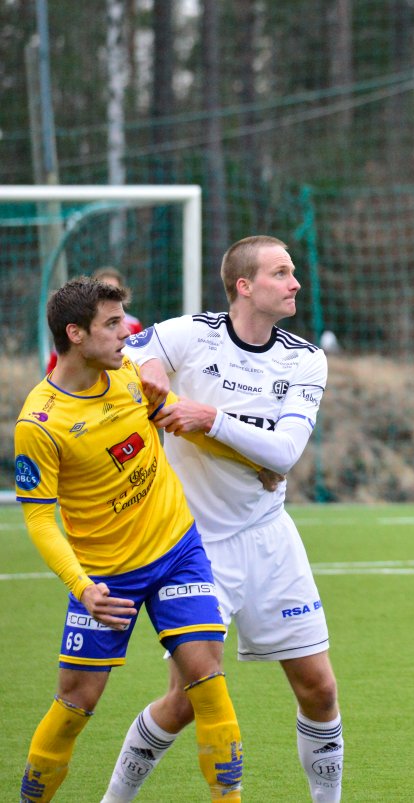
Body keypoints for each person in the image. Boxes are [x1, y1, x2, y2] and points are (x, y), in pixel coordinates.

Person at [101, 236, 342, 802]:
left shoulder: (304, 358)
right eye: (281, 273)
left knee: (320, 689)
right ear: (244, 285)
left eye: (292, 273)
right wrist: (153, 368)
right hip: (194, 547)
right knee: (186, 700)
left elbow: (283, 455)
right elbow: (127, 357)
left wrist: (208, 418)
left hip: (269, 539)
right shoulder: (193, 332)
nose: (294, 283)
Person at [15, 277, 243, 801]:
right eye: (113, 324)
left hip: (176, 551)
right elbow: (40, 519)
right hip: (104, 576)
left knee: (207, 681)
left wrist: (257, 463)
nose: (127, 333)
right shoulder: (40, 424)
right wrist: (81, 585)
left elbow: (187, 422)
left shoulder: (133, 377)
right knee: (76, 704)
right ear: (75, 334)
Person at [46, 267, 143, 375]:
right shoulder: (74, 326)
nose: (126, 333)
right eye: (112, 324)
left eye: (114, 288)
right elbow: (56, 365)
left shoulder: (133, 324)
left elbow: (141, 354)